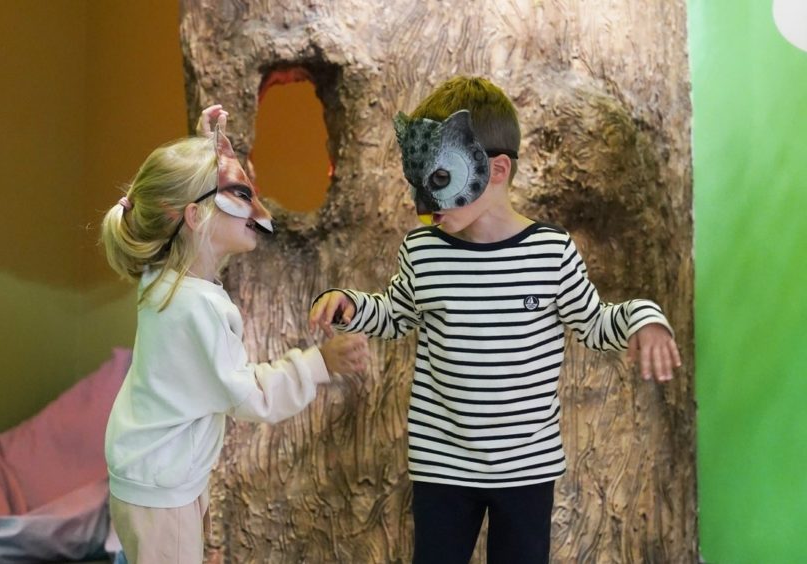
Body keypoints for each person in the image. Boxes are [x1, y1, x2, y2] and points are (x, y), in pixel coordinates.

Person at [309, 77, 681, 564]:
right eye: (417, 182)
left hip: (527, 466)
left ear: (497, 169)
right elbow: (395, 313)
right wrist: (348, 304)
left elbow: (594, 323)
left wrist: (645, 319)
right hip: (443, 463)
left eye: (440, 180)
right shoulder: (423, 251)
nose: (422, 205)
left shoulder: (551, 252)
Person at [101, 105, 368, 564]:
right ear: (195, 215)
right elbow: (249, 396)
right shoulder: (194, 307)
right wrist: (318, 364)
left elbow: (186, 206)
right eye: (241, 194)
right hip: (163, 490)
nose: (257, 209)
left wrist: (208, 152)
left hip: (150, 476)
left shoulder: (163, 279)